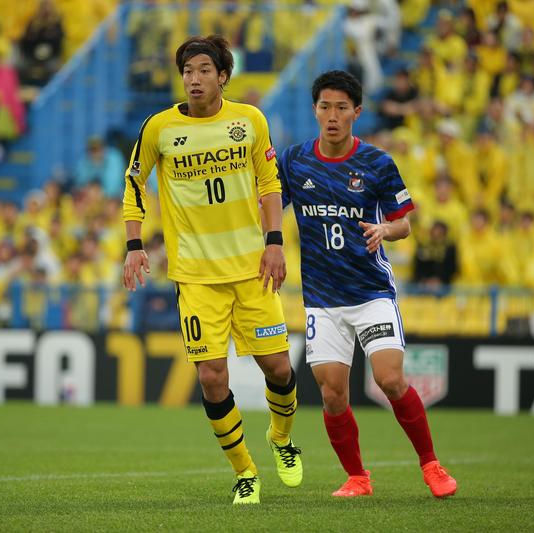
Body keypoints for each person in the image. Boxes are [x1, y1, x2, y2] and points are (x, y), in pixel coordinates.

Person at [121, 34, 301, 505]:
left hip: (251, 270)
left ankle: (281, 438)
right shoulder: (159, 127)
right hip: (195, 276)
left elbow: (269, 184)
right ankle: (245, 472)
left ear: (223, 76)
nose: (193, 79)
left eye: (203, 70)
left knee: (279, 368)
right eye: (187, 71)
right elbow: (134, 182)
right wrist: (134, 244)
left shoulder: (249, 120)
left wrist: (275, 244)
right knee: (210, 378)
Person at [278, 70, 457, 498]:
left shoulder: (377, 162)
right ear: (315, 110)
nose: (332, 115)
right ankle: (358, 478)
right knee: (332, 392)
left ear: (357, 112)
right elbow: (269, 206)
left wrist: (383, 231)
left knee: (390, 379)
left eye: (342, 107)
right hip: (322, 299)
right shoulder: (294, 160)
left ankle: (431, 466)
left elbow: (404, 226)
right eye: (325, 107)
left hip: (370, 293)